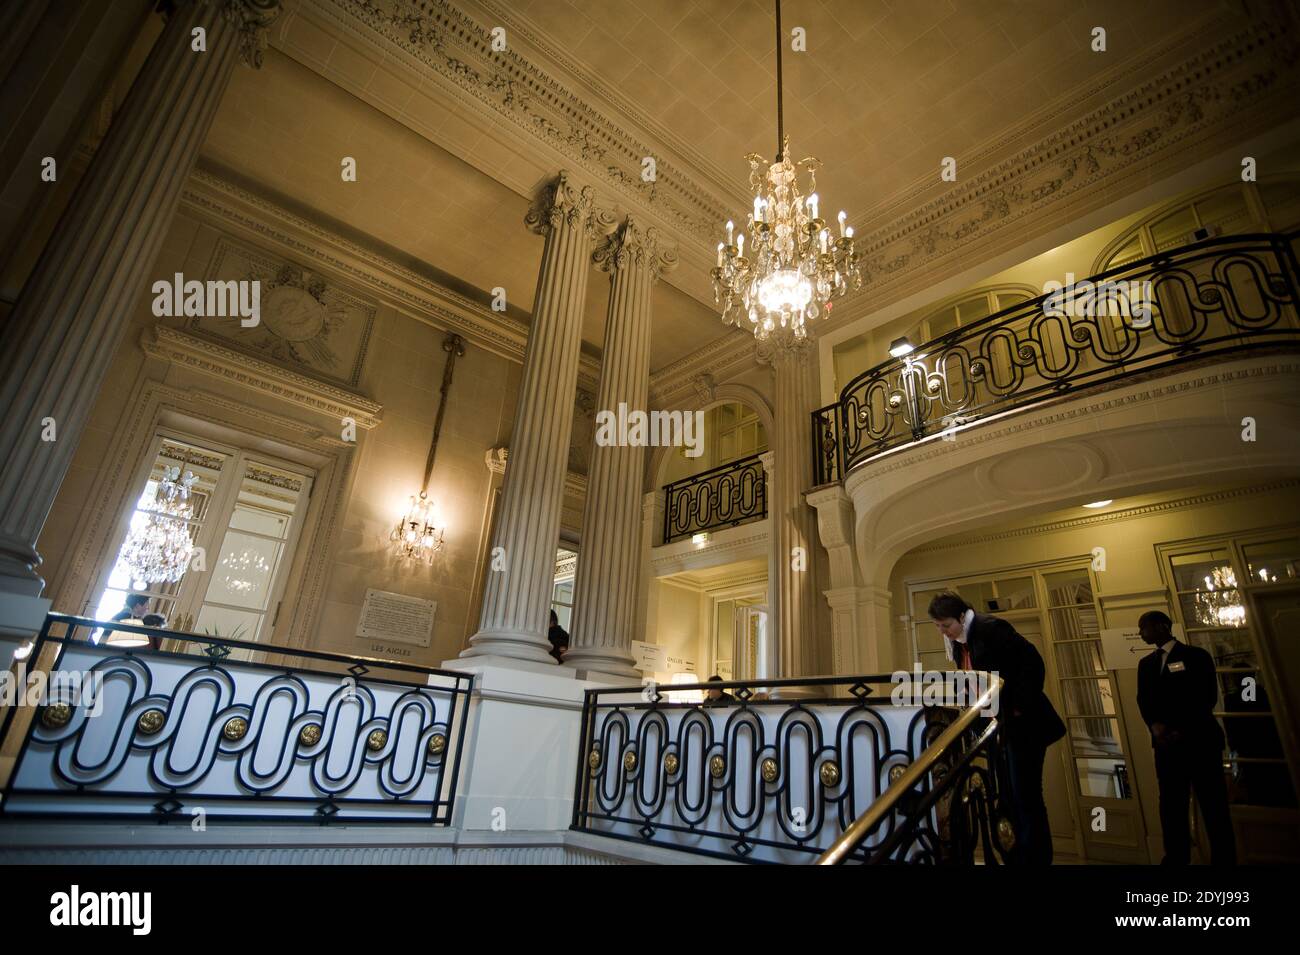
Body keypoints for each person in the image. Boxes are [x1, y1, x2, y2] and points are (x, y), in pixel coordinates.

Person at [928, 590, 1065, 864]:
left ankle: (1034, 859)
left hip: (1024, 724)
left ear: (960, 617)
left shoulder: (991, 629)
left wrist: (1017, 707)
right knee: (1010, 794)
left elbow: (1033, 664)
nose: (944, 632)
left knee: (1025, 794)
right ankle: (1017, 853)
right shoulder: (960, 643)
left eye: (946, 625)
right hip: (1000, 727)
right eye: (938, 627)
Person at [1136, 610, 1236, 864]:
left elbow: (1204, 697)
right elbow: (1144, 699)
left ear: (1162, 627)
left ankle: (1224, 860)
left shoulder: (1196, 656)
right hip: (1166, 747)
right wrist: (1155, 725)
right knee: (1171, 806)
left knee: (1213, 805)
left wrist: (1179, 728)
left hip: (1199, 741)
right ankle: (1176, 858)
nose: (1140, 633)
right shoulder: (1146, 664)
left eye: (1143, 627)